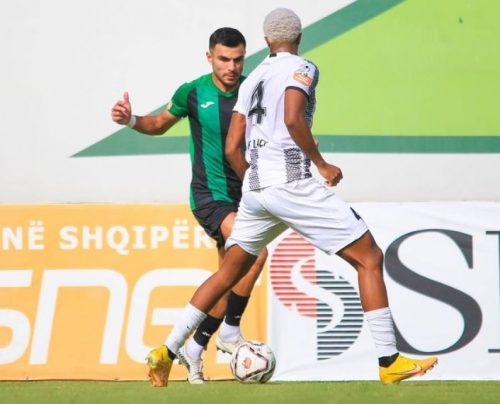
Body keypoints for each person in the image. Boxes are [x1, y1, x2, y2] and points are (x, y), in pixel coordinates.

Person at [145, 8, 438, 388]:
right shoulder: (303, 68)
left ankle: (167, 351)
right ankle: (389, 361)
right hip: (292, 183)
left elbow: (233, 147)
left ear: (266, 41)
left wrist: (254, 182)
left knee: (229, 272)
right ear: (299, 38)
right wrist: (321, 163)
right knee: (369, 257)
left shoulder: (252, 80)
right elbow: (292, 118)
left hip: (255, 189)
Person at [111, 27, 267, 385]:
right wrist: (131, 119)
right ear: (209, 57)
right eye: (224, 59)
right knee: (256, 253)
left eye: (238, 59)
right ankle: (230, 333)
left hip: (246, 197)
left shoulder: (253, 91)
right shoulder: (193, 92)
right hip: (210, 196)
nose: (231, 67)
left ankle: (195, 349)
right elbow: (158, 124)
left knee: (228, 277)